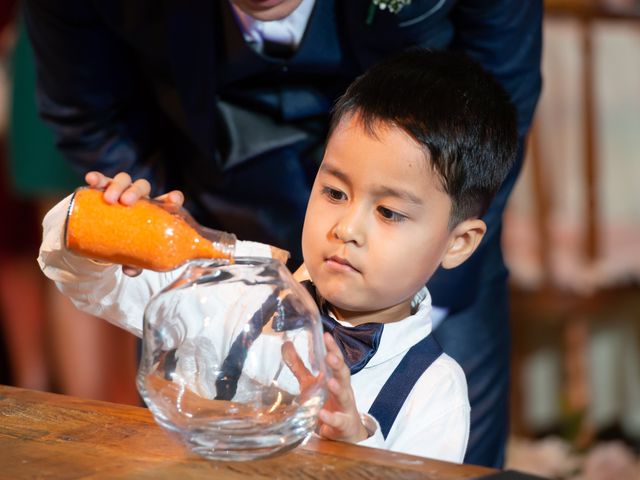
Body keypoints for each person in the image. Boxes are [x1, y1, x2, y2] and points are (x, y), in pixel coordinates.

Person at [25, 0, 542, 466]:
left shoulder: (436, 391)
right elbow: (99, 283)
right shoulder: (233, 295)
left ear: (459, 242)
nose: (347, 228)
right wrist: (113, 222)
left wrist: (356, 441)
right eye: (335, 193)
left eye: (389, 213)